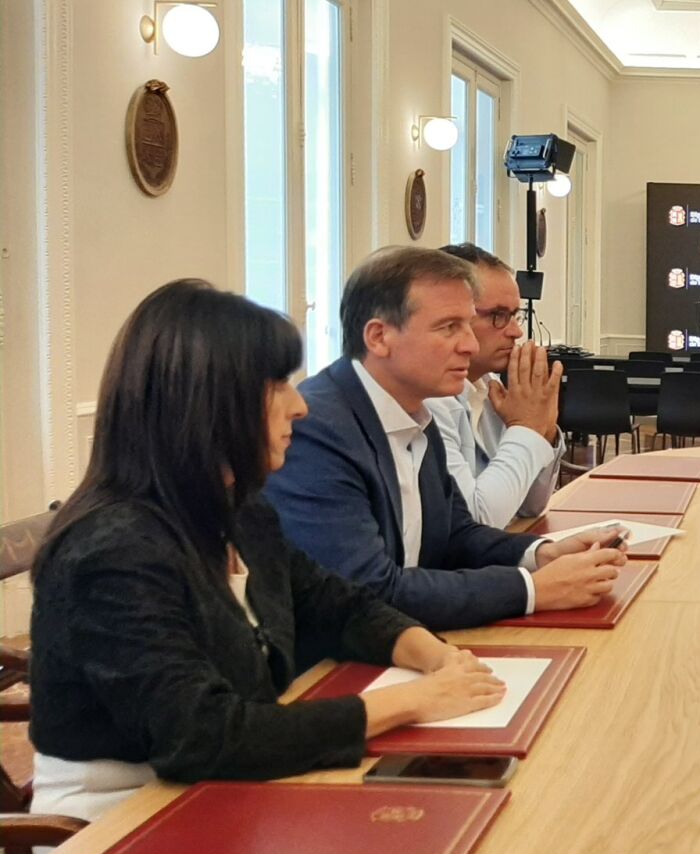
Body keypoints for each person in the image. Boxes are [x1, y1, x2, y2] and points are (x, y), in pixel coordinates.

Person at [27, 281, 507, 823]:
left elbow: (341, 606)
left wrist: (439, 659)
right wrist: (413, 701)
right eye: (277, 385)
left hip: (226, 789)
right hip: (120, 821)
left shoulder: (242, 512)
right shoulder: (113, 550)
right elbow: (201, 735)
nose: (299, 406)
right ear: (208, 403)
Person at [264, 247, 626, 631]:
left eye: (469, 325)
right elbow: (366, 590)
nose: (470, 345)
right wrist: (531, 589)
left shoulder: (418, 412)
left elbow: (456, 533)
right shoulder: (319, 428)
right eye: (449, 327)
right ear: (379, 337)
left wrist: (541, 554)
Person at [426, 243, 563, 528]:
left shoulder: (489, 387)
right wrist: (526, 429)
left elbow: (530, 505)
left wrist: (545, 430)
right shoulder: (428, 399)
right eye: (498, 316)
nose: (516, 331)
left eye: (515, 315)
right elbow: (476, 520)